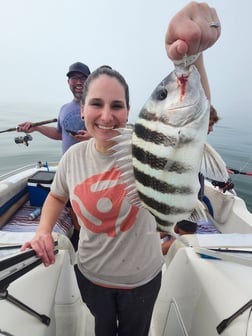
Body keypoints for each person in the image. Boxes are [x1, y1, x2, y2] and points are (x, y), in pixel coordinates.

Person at [20, 2, 221, 335]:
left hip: (143, 279)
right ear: (82, 110)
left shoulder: (142, 144)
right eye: (96, 104)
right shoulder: (72, 158)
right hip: (91, 275)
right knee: (101, 328)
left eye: (117, 106)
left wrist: (192, 56)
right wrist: (43, 231)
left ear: (129, 111)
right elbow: (56, 197)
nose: (106, 115)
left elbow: (195, 119)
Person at [18, 62, 92, 250]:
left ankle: (89, 238)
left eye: (83, 78)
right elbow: (61, 134)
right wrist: (36, 128)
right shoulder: (64, 109)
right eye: (74, 77)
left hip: (90, 167)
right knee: (71, 204)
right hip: (68, 167)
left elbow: (112, 134)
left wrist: (92, 137)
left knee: (87, 205)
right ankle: (77, 236)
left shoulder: (95, 105)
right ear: (68, 81)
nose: (78, 82)